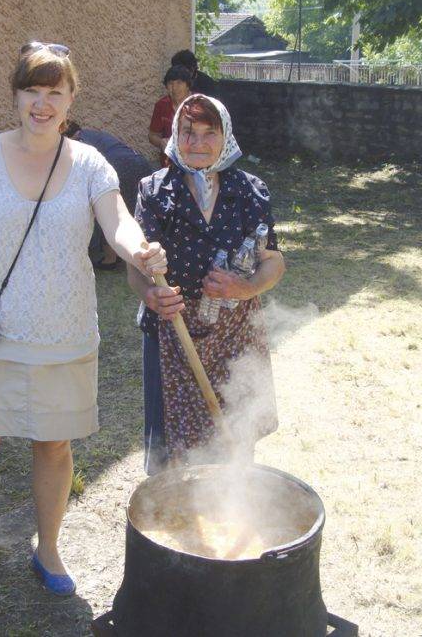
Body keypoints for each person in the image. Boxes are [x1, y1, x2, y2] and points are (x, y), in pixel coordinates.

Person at [0, 42, 166, 619]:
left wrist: (140, 247)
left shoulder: (91, 164)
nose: (42, 103)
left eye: (56, 92)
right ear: (16, 95)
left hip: (65, 334)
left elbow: (117, 222)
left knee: (53, 447)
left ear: (71, 99)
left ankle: (48, 549)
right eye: (33, 90)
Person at [128, 94, 285, 473]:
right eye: (188, 133)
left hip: (234, 332)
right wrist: (150, 294)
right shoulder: (154, 190)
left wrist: (245, 288)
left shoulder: (250, 191)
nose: (197, 143)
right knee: (171, 449)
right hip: (171, 331)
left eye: (208, 133)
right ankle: (168, 518)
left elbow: (274, 262)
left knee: (234, 435)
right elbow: (136, 265)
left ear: (224, 136)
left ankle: (232, 508)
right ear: (174, 136)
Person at [66, 121, 153, 269]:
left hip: (121, 169)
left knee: (110, 210)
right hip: (141, 165)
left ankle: (111, 258)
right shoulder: (92, 134)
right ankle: (141, 253)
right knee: (136, 213)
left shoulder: (80, 142)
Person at [148, 64, 193, 167]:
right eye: (170, 83)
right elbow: (152, 135)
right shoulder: (161, 105)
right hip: (169, 163)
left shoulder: (199, 104)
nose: (174, 88)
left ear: (187, 85)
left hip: (194, 163)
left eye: (179, 83)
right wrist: (161, 142)